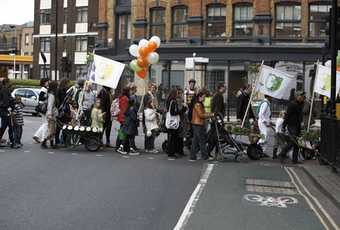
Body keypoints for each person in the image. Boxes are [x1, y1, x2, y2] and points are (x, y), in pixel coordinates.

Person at [279, 91, 305, 164]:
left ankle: (295, 159)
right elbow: (287, 116)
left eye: (303, 96)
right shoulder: (292, 104)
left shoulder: (301, 104)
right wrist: (283, 126)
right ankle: (282, 154)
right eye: (301, 96)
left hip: (298, 126)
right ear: (297, 96)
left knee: (297, 143)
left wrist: (302, 123)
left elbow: (300, 116)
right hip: (291, 125)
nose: (303, 97)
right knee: (293, 142)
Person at [190, 91, 213, 161]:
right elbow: (201, 115)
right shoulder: (198, 104)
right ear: (199, 97)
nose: (204, 99)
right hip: (198, 124)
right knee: (201, 141)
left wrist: (209, 114)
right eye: (203, 97)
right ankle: (205, 156)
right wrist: (211, 115)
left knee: (195, 141)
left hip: (197, 124)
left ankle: (193, 156)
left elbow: (203, 113)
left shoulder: (199, 104)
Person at [166, 89, 186, 159]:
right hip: (173, 122)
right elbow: (173, 113)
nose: (178, 95)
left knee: (172, 138)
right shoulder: (173, 101)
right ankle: (171, 153)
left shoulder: (170, 101)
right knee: (173, 138)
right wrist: (182, 110)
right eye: (177, 93)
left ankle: (171, 152)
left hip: (171, 122)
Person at [208, 84, 226, 157]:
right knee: (215, 136)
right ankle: (210, 151)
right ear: (220, 88)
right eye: (224, 87)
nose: (225, 89)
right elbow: (217, 108)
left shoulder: (217, 95)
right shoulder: (219, 96)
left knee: (215, 136)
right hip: (216, 119)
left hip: (215, 118)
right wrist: (218, 117)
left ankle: (215, 151)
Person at [41, 81, 58, 149]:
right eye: (57, 86)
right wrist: (49, 114)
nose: (57, 87)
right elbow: (50, 105)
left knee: (52, 129)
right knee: (51, 130)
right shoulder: (51, 95)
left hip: (52, 113)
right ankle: (44, 142)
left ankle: (50, 143)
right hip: (51, 114)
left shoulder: (50, 93)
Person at [55, 78, 71, 146]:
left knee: (65, 126)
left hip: (65, 110)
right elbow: (61, 100)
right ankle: (58, 141)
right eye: (68, 83)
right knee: (59, 126)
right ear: (65, 83)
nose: (68, 85)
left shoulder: (65, 90)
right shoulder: (60, 90)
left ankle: (63, 141)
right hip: (61, 111)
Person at [33, 78, 49, 143]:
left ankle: (37, 135)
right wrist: (47, 97)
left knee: (45, 123)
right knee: (46, 123)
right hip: (43, 107)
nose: (48, 82)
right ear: (44, 82)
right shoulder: (44, 89)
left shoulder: (44, 89)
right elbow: (41, 98)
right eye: (47, 82)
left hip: (42, 107)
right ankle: (43, 138)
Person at [0, 78, 15, 146]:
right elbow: (6, 101)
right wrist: (12, 107)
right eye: (9, 82)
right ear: (6, 83)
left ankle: (12, 141)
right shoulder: (5, 90)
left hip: (4, 110)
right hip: (5, 111)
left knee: (8, 126)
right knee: (5, 126)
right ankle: (12, 142)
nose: (10, 83)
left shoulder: (3, 89)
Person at [116, 87, 130, 151]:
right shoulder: (125, 98)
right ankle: (120, 146)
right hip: (124, 117)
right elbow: (125, 109)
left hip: (121, 116)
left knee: (121, 132)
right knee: (123, 133)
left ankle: (119, 145)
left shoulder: (121, 97)